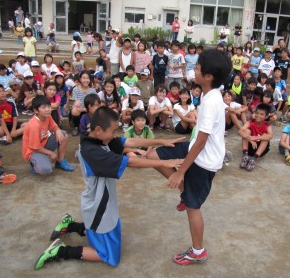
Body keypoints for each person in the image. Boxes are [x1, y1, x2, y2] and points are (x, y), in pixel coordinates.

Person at [33, 107, 183, 270]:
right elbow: (130, 162)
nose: (114, 135)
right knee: (110, 257)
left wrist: (161, 142)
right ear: (98, 130)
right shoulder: (93, 152)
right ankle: (60, 251)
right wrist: (163, 163)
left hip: (104, 203)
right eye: (112, 131)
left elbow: (128, 142)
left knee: (111, 232)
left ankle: (70, 226)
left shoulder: (97, 138)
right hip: (98, 207)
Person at [146, 49, 232, 265]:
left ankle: (198, 251)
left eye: (199, 68)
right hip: (195, 150)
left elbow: (203, 141)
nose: (195, 69)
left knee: (194, 207)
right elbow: (199, 139)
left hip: (204, 160)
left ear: (209, 76)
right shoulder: (207, 93)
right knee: (153, 155)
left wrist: (180, 172)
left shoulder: (212, 101)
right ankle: (186, 191)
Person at [22, 95, 74, 175]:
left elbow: (54, 126)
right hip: (33, 151)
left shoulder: (47, 116)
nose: (47, 109)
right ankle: (34, 164)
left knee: (63, 134)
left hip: (43, 143)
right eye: (43, 107)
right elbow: (35, 147)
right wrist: (50, 153)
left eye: (49, 106)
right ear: (36, 110)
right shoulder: (34, 125)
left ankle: (60, 161)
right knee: (46, 170)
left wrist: (58, 130)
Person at [238, 104, 273, 171]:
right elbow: (240, 131)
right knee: (246, 131)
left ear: (266, 116)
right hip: (250, 147)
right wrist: (250, 139)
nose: (258, 116)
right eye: (257, 113)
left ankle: (254, 159)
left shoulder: (267, 125)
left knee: (266, 136)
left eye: (261, 114)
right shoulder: (250, 122)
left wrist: (254, 138)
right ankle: (245, 156)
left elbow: (270, 136)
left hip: (260, 149)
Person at [70, 71, 99, 136]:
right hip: (79, 109)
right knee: (75, 110)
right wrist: (80, 108)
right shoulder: (75, 89)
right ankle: (76, 127)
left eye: (87, 78)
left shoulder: (92, 90)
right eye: (83, 78)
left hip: (89, 110)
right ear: (80, 79)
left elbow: (94, 103)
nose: (85, 80)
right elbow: (76, 102)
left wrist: (84, 109)